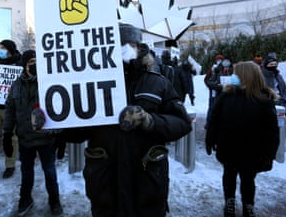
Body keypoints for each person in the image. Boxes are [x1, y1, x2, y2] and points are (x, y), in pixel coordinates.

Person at [49, 23, 193, 217]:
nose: (123, 48)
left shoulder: (157, 82)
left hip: (147, 181)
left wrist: (149, 120)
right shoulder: (91, 85)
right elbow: (78, 131)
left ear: (139, 47)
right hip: (106, 185)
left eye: (129, 43)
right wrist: (53, 124)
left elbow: (181, 123)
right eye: (117, 43)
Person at [205, 61, 280, 217]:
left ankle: (248, 204)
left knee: (248, 179)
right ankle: (230, 201)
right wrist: (210, 139)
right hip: (228, 147)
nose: (233, 77)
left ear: (246, 77)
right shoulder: (226, 96)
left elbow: (272, 131)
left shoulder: (264, 100)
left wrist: (269, 154)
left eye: (236, 74)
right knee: (229, 176)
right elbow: (214, 120)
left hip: (252, 151)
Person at [2, 49, 63, 216]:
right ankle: (25, 198)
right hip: (25, 139)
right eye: (30, 62)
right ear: (24, 65)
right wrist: (7, 134)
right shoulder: (16, 85)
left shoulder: (48, 82)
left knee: (50, 172)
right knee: (26, 173)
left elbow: (58, 108)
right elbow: (10, 110)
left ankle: (54, 200)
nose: (34, 65)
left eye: (37, 62)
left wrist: (60, 135)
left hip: (46, 139)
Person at [0, 39, 21, 179]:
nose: (0, 50)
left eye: (3, 48)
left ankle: (10, 165)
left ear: (10, 49)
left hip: (11, 108)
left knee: (12, 138)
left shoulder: (19, 64)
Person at [204, 55, 232, 127]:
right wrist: (217, 86)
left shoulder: (232, 70)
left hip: (229, 94)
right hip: (217, 93)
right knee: (213, 108)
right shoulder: (216, 69)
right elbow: (208, 81)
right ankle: (210, 123)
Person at [261, 54, 286, 119]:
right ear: (266, 65)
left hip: (280, 105)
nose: (273, 66)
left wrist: (284, 100)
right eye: (271, 64)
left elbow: (285, 90)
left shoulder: (278, 76)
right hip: (266, 106)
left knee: (279, 125)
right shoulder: (260, 76)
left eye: (275, 64)